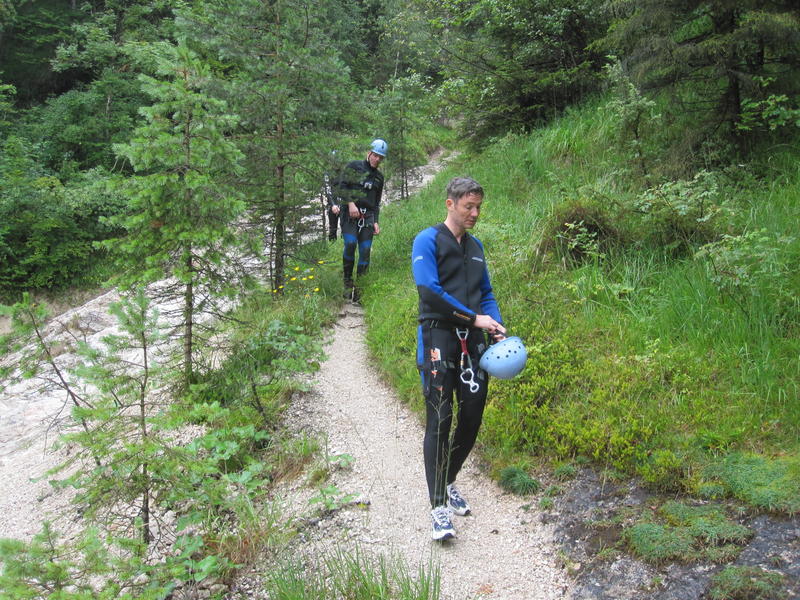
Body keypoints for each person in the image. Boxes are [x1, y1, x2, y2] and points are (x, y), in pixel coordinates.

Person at [411, 176, 507, 541]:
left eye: (478, 206)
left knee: (472, 416)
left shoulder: (476, 247)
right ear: (450, 203)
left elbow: (486, 292)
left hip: (474, 341)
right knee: (440, 418)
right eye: (469, 206)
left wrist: (495, 324)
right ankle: (437, 506)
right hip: (438, 336)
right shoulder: (427, 240)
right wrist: (473, 318)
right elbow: (429, 292)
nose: (475, 213)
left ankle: (448, 479)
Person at [331, 138, 387, 303]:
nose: (377, 159)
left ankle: (360, 290)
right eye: (375, 155)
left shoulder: (379, 178)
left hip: (368, 216)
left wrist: (376, 221)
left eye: (380, 157)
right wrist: (350, 204)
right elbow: (341, 187)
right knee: (350, 244)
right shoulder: (354, 167)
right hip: (349, 215)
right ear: (369, 153)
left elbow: (376, 203)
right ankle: (347, 283)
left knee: (365, 250)